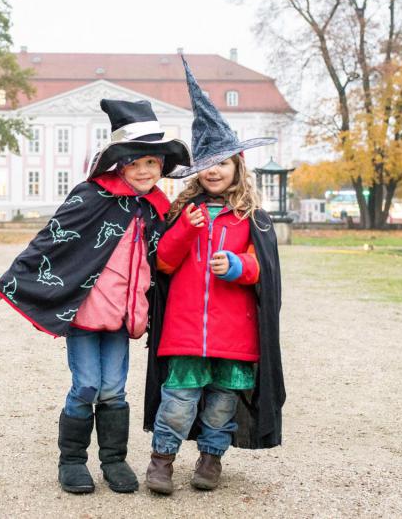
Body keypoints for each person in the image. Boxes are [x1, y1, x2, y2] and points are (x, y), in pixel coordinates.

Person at [0, 99, 190, 495]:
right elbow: (53, 240)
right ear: (121, 164)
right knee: (86, 385)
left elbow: (168, 256)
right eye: (136, 163)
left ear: (161, 167)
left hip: (123, 316)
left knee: (114, 387)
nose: (145, 170)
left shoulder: (157, 206)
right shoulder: (93, 195)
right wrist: (19, 279)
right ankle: (72, 462)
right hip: (85, 312)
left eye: (152, 163)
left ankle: (114, 461)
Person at [143, 57, 285, 495]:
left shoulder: (252, 219)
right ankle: (162, 462)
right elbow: (162, 264)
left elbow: (266, 274)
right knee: (178, 399)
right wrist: (185, 228)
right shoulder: (182, 213)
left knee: (223, 401)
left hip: (234, 334)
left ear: (238, 165)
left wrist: (240, 267)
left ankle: (210, 459)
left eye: (223, 161)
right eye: (206, 161)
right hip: (185, 331)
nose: (214, 169)